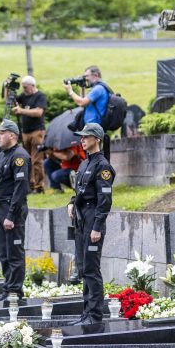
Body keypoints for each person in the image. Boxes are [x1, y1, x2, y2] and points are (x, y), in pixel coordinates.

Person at [68, 123, 115, 325]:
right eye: (82, 137)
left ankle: (94, 315)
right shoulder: (84, 163)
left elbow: (104, 200)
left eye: (86, 137)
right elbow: (79, 191)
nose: (82, 140)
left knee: (91, 269)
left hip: (92, 219)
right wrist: (71, 203)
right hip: (81, 218)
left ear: (97, 139)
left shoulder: (102, 165)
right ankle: (86, 313)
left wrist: (97, 226)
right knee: (82, 267)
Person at [0, 120, 30, 302]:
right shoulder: (2, 155)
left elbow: (20, 188)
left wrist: (11, 215)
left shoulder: (19, 156)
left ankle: (14, 291)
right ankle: (7, 289)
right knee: (3, 253)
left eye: (2, 133)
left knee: (14, 253)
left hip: (12, 209)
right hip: (0, 209)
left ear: (12, 135)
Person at [65, 65, 111, 157]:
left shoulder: (98, 89)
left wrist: (70, 91)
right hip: (91, 128)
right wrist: (83, 87)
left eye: (86, 76)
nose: (85, 79)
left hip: (94, 129)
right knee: (90, 157)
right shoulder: (96, 88)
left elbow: (81, 102)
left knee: (95, 156)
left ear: (95, 75)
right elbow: (85, 102)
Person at [11, 75, 47, 193]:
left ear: (32, 86)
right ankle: (30, 185)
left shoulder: (40, 96)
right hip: (25, 132)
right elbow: (12, 100)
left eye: (25, 87)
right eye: (22, 87)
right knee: (26, 160)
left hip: (37, 131)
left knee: (36, 159)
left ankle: (39, 186)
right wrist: (8, 88)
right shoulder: (24, 95)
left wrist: (21, 111)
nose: (24, 90)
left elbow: (38, 112)